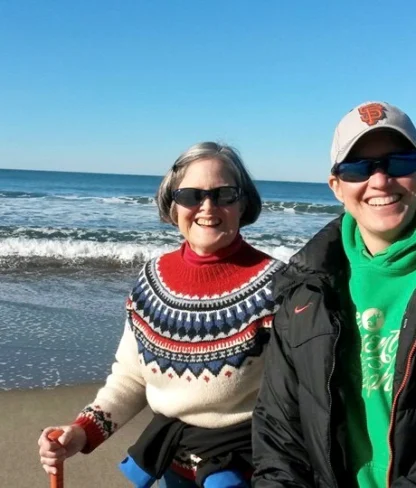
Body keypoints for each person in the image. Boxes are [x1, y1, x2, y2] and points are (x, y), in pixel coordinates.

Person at [38, 141, 284, 487]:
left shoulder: (278, 284)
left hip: (248, 472)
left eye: (224, 194)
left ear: (243, 204)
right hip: (172, 463)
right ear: (172, 206)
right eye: (191, 196)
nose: (207, 207)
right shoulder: (153, 278)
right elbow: (131, 377)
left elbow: (302, 396)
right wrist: (80, 432)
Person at [252, 101, 416, 487]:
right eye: (358, 167)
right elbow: (279, 433)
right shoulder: (306, 289)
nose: (379, 181)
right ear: (336, 186)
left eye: (400, 161)